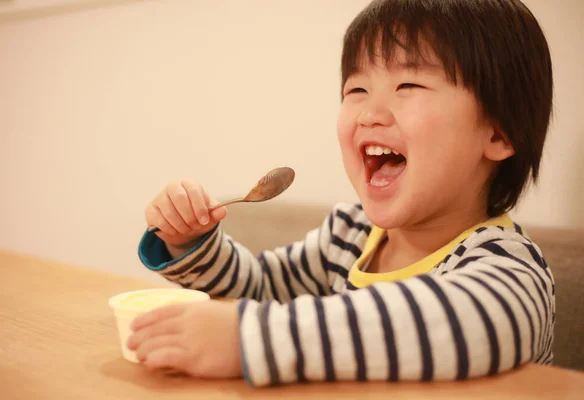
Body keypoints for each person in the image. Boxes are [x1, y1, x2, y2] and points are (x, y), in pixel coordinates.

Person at [127, 0, 555, 387]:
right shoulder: (348, 234)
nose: (369, 113)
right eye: (356, 90)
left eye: (409, 86)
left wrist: (249, 339)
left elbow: (471, 323)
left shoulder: (508, 264)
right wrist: (189, 242)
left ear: (498, 132)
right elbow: (259, 288)